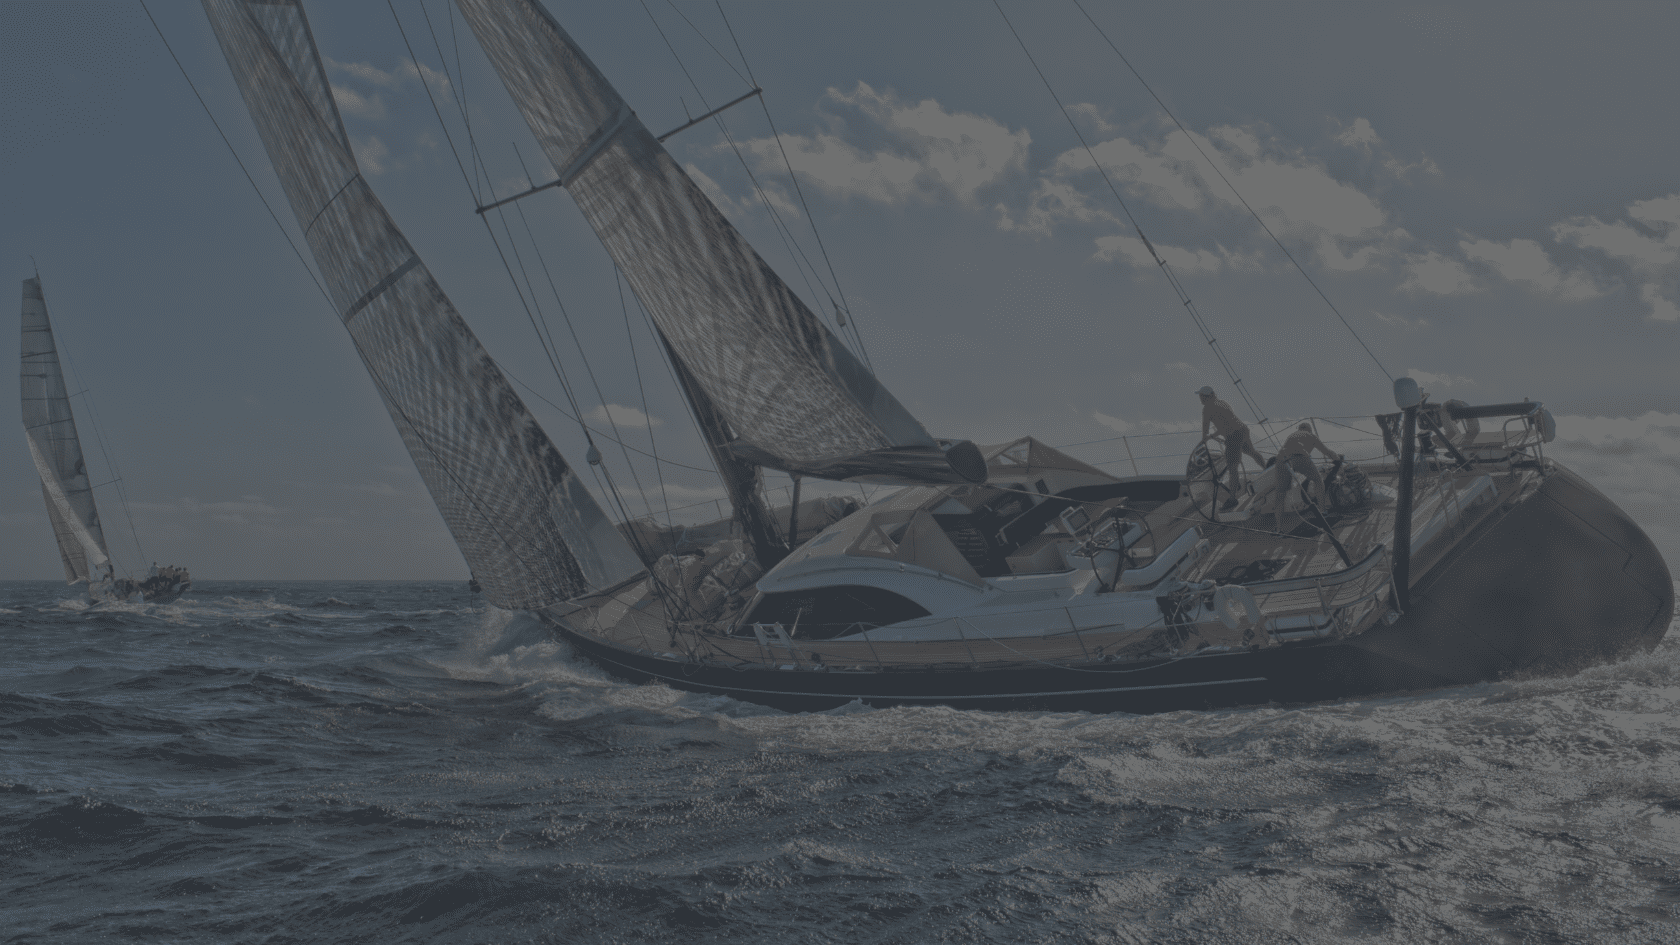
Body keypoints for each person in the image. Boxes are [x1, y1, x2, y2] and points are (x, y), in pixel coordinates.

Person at [1197, 386, 1268, 509]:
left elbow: (1209, 427)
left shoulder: (1208, 409)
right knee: (1251, 452)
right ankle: (1267, 469)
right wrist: (1210, 436)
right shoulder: (1222, 403)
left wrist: (1207, 438)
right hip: (1242, 431)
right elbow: (1221, 424)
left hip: (1233, 436)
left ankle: (1232, 498)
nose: (1200, 399)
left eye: (1201, 396)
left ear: (1207, 397)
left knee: (1232, 467)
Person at [1272, 422, 1341, 528]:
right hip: (1299, 457)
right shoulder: (1310, 435)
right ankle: (1322, 511)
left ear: (1299, 429)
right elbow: (1327, 452)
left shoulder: (1292, 435)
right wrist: (1337, 458)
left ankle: (1278, 527)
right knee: (1318, 480)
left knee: (1280, 493)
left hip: (1280, 460)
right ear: (1309, 429)